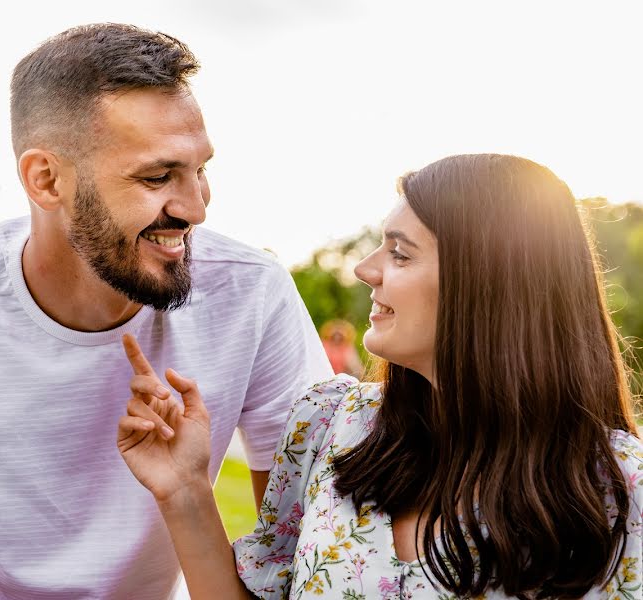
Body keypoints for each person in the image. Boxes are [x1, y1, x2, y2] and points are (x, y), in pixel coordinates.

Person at [0, 23, 332, 599]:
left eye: (200, 170)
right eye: (157, 176)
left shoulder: (253, 294)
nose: (195, 208)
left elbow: (303, 572)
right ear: (46, 180)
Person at [118, 154, 643, 599]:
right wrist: (185, 487)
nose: (365, 269)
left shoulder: (620, 487)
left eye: (400, 253)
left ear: (487, 287)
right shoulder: (328, 424)